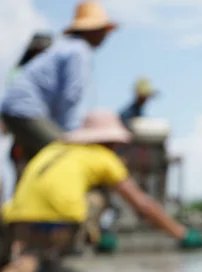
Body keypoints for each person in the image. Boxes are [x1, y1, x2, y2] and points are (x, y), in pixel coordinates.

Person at [0, 110, 202, 272]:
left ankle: (38, 255)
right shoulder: (103, 157)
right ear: (112, 140)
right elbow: (142, 204)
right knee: (100, 195)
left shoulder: (53, 150)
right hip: (59, 228)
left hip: (18, 226)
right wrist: (181, 233)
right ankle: (86, 240)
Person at [0, 1, 117, 176]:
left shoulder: (66, 47)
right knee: (62, 154)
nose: (105, 36)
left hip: (17, 108)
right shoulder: (79, 51)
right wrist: (71, 137)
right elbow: (71, 96)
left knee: (36, 165)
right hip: (25, 109)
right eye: (102, 30)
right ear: (92, 30)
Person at [2, 33, 54, 198]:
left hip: (36, 132)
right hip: (22, 140)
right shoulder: (21, 74)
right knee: (23, 180)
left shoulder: (43, 76)